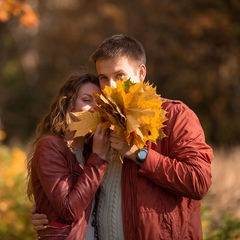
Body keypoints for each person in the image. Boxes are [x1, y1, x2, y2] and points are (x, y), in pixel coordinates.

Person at [31, 34, 214, 239]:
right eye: (103, 78)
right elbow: (77, 193)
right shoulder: (99, 126)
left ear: (141, 73)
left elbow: (199, 182)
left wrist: (140, 155)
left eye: (120, 76)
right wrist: (47, 213)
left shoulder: (175, 116)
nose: (112, 86)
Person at [26, 73, 111, 239]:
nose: (95, 107)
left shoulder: (91, 150)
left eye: (100, 103)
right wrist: (98, 158)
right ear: (68, 104)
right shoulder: (51, 146)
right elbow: (68, 209)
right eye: (87, 100)